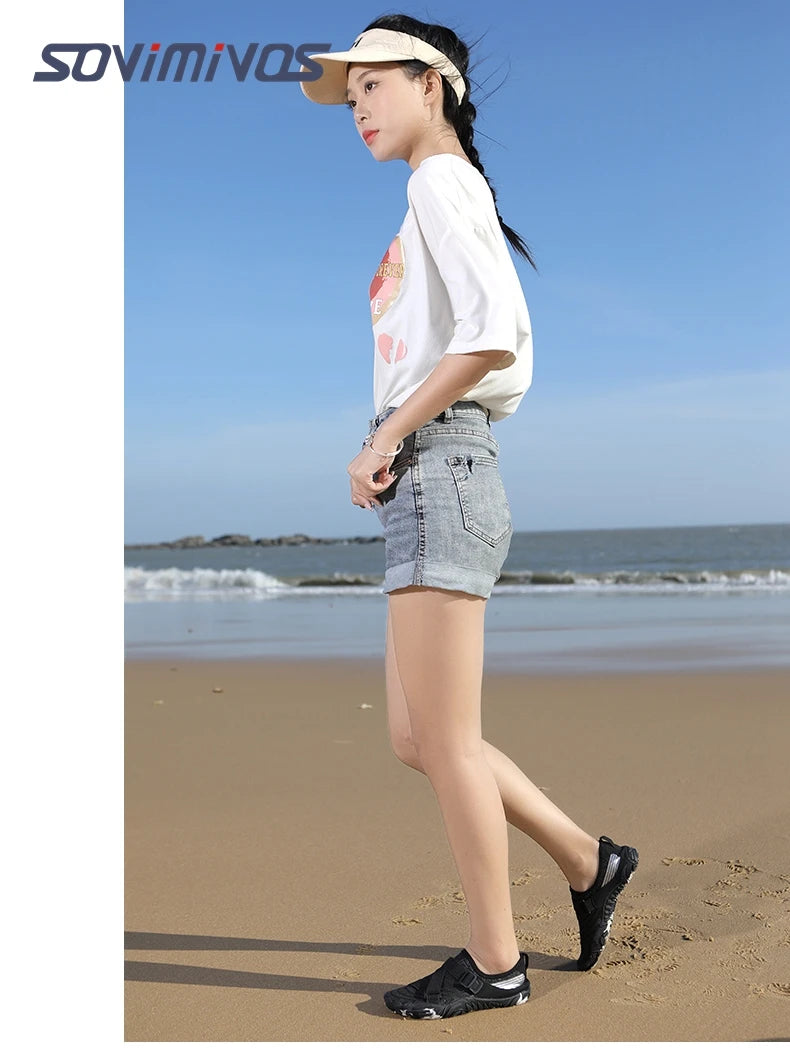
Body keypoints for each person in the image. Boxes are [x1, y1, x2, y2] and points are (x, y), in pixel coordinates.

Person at [299, 14, 639, 1021]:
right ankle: (589, 860)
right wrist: (390, 441)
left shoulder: (438, 182)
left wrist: (384, 435)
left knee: (445, 740)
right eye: (349, 93)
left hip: (439, 465)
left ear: (430, 85)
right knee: (419, 736)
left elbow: (489, 337)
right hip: (430, 470)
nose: (356, 106)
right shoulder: (437, 192)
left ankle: (495, 962)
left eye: (372, 84)